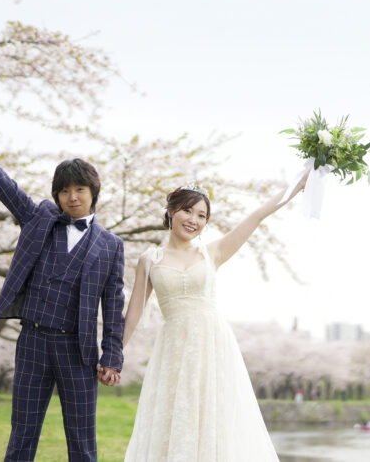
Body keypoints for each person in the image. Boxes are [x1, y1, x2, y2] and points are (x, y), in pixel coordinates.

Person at [0, 123, 125, 462]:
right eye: (63, 191)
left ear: (93, 191)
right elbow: (3, 185)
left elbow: (113, 305)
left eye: (79, 189)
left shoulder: (111, 246)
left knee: (82, 441)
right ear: (56, 195)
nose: (71, 197)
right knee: (23, 434)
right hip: (33, 342)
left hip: (79, 350)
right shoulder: (39, 218)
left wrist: (112, 357)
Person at [122, 173, 308, 461]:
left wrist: (297, 185)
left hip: (212, 345)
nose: (193, 220)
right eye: (187, 210)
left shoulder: (213, 253)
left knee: (215, 417)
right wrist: (114, 353)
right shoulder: (150, 259)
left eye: (201, 215)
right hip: (173, 347)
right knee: (174, 415)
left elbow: (256, 216)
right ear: (171, 211)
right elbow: (134, 310)